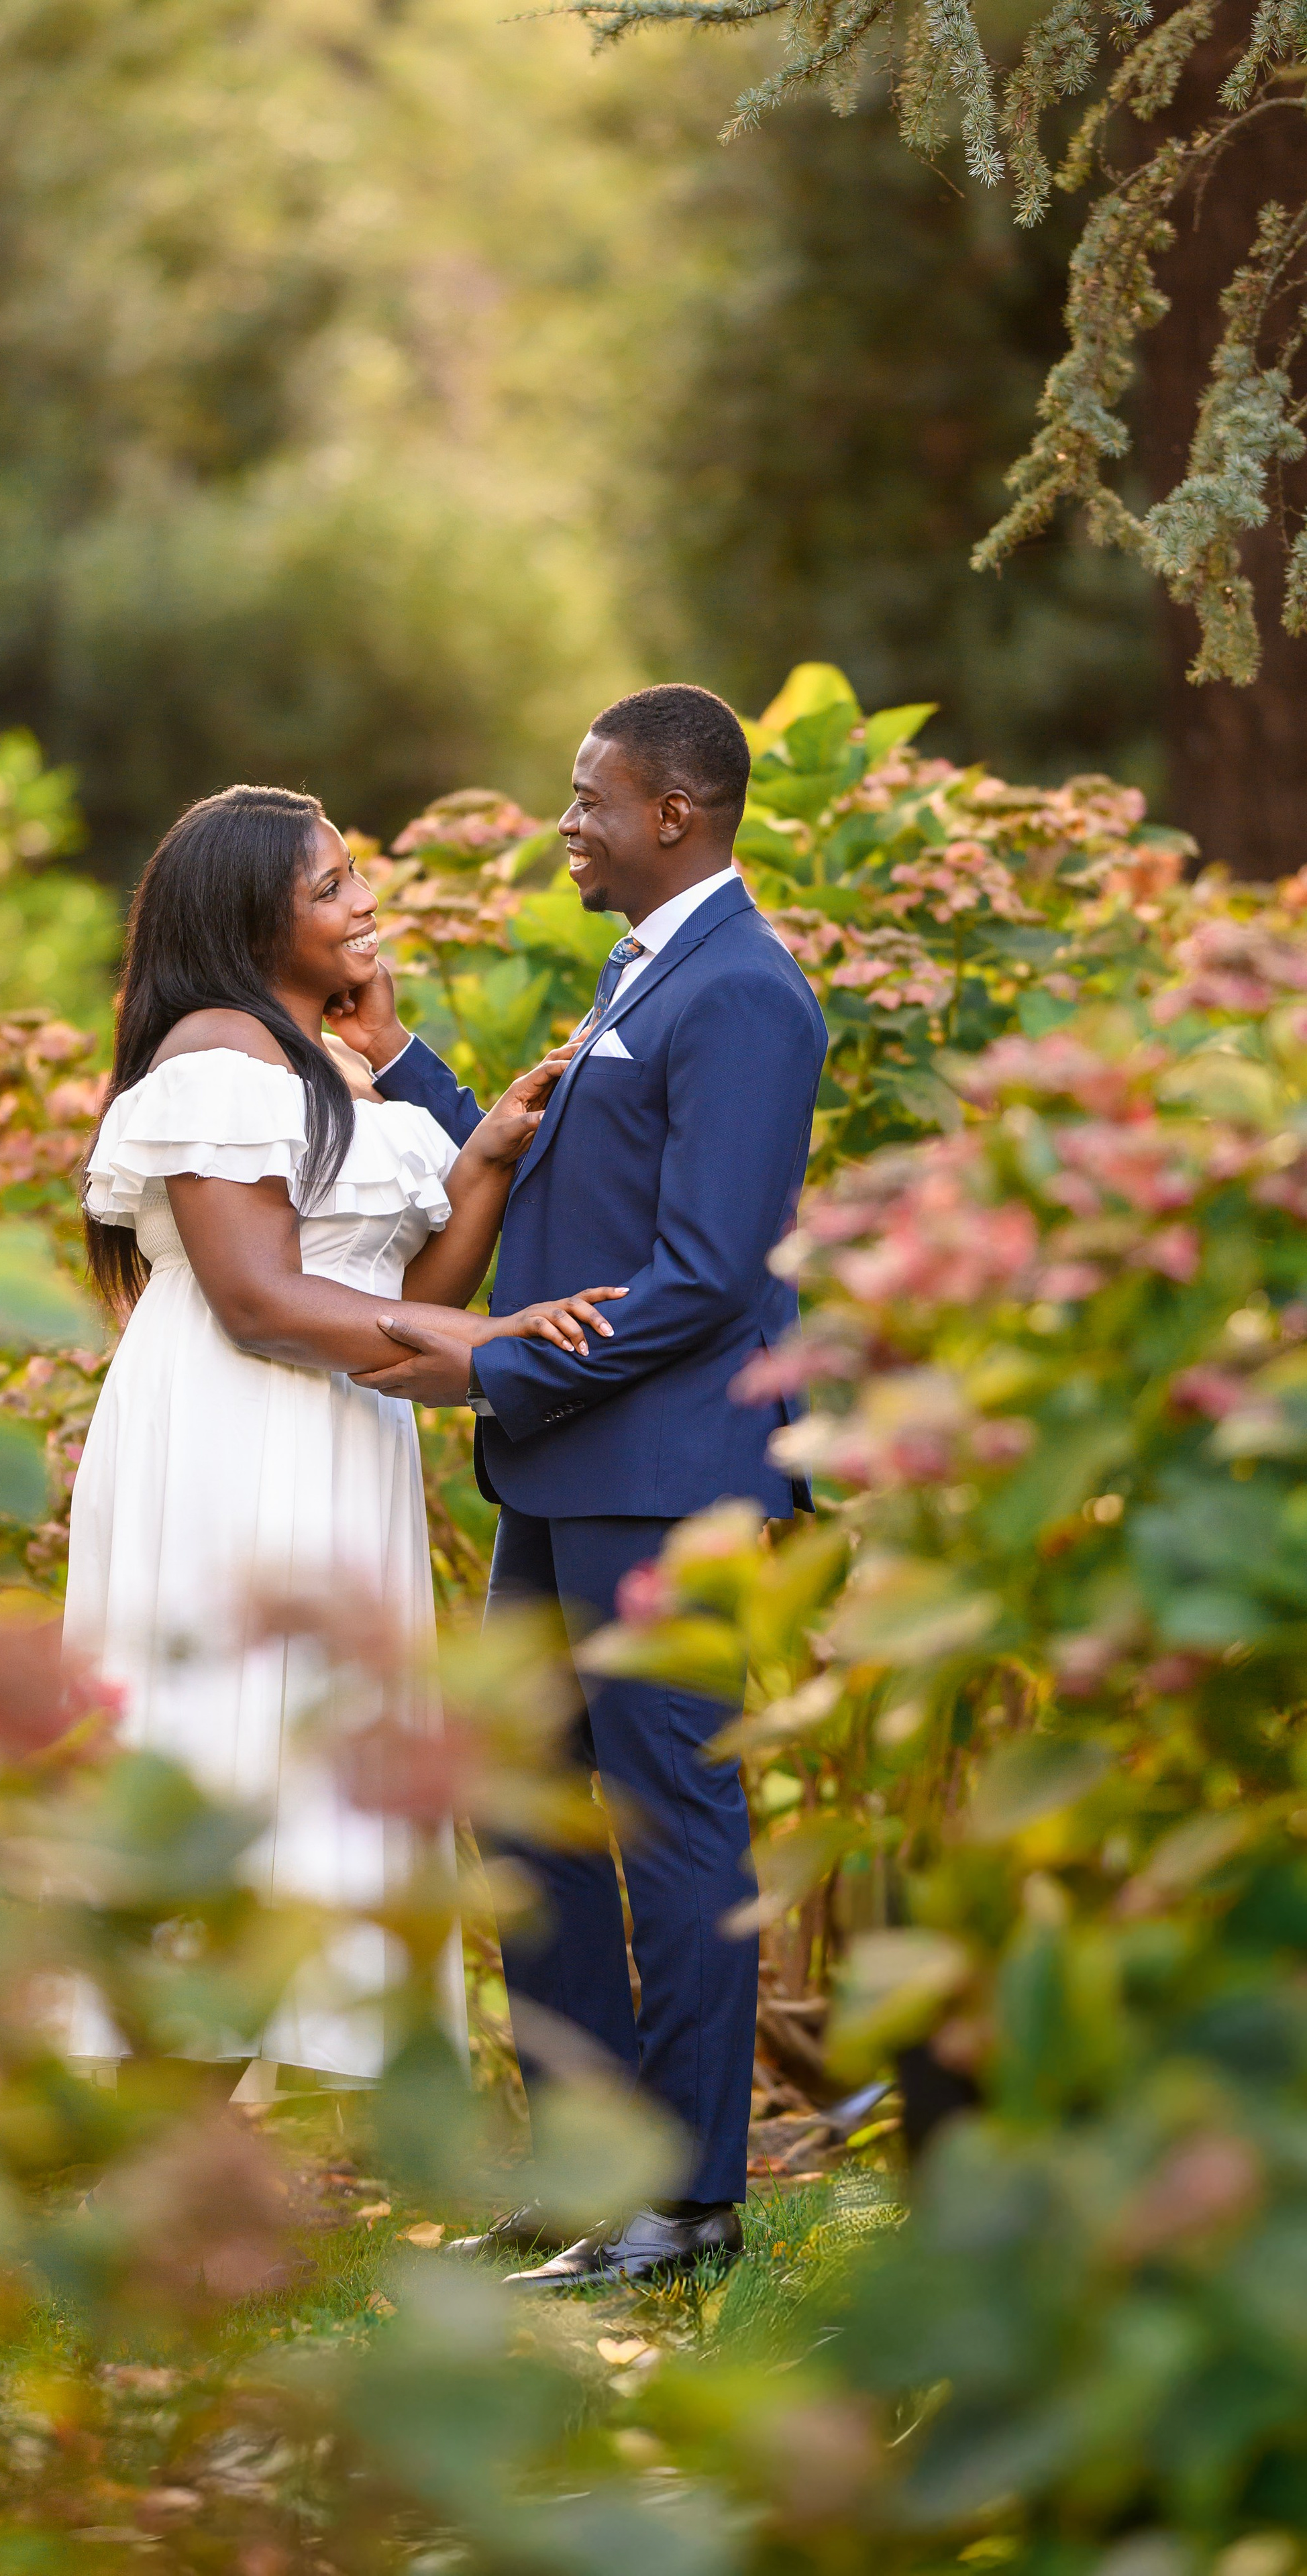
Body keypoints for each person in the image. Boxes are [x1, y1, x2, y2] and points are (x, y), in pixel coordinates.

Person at [331, 685, 828, 2286]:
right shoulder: (643, 970)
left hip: (663, 1483)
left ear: (671, 814)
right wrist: (406, 1063)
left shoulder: (744, 993)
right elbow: (575, 1200)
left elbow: (698, 1278)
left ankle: (684, 2210)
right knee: (529, 1819)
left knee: (674, 1828)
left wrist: (486, 1363)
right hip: (565, 1481)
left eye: (588, 798)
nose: (567, 821)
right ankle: (579, 2180)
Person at [62, 783, 621, 2096]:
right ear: (248, 917)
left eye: (356, 873)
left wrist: (479, 1157)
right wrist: (501, 1349)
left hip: (323, 1441)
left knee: (292, 1766)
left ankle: (199, 2168)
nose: (365, 901)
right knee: (217, 1752)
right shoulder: (212, 1058)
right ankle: (157, 2162)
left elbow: (404, 1300)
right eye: (329, 888)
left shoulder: (315, 1061)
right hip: (227, 1448)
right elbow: (259, 1299)